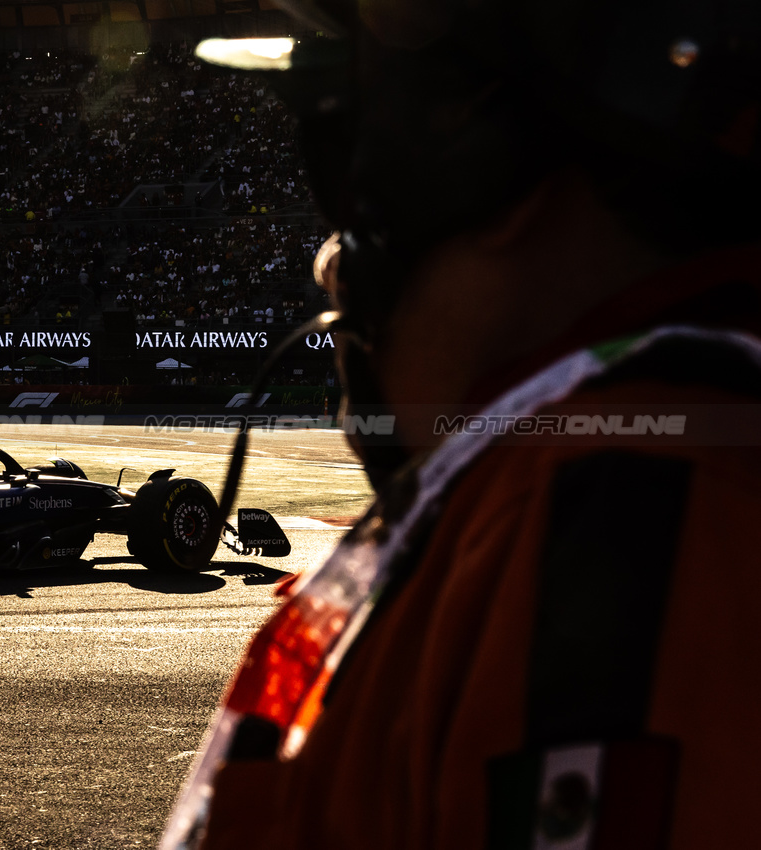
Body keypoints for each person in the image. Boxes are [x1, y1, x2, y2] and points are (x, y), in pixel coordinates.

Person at [164, 1, 761, 849]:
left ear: (475, 161)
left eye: (350, 160)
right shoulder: (612, 486)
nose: (330, 262)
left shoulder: (623, 509)